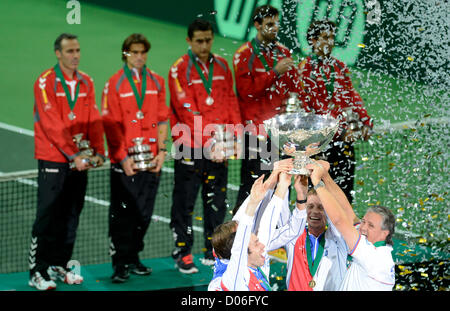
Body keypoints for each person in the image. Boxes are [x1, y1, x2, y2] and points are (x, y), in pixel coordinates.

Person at [30, 33, 105, 290]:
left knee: (71, 214)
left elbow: (92, 115)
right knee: (47, 215)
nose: (75, 55)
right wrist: (75, 155)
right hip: (54, 158)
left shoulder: (87, 81)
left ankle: (58, 264)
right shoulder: (45, 82)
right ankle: (37, 270)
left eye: (78, 50)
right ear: (58, 54)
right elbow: (51, 123)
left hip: (80, 159)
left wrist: (98, 151)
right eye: (70, 51)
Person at [168, 19, 242, 273]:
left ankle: (213, 249)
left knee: (216, 201)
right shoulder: (179, 70)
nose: (204, 44)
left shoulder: (221, 66)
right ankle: (182, 250)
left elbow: (231, 103)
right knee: (185, 202)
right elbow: (186, 109)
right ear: (189, 41)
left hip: (218, 149)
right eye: (199, 40)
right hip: (190, 147)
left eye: (208, 39)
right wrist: (212, 142)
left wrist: (233, 138)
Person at [101, 33, 170, 283]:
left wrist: (162, 151)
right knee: (122, 215)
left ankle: (133, 257)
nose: (139, 57)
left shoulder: (157, 82)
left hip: (151, 162)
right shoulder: (115, 84)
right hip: (126, 163)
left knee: (144, 213)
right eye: (134, 52)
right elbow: (111, 126)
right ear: (125, 54)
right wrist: (121, 158)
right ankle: (119, 264)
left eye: (143, 52)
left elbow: (163, 120)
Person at [298, 20, 373, 204]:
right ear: (313, 41)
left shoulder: (339, 67)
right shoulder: (304, 70)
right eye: (325, 38)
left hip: (343, 146)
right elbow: (306, 111)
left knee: (345, 199)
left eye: (332, 37)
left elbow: (350, 101)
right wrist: (334, 132)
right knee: (317, 202)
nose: (330, 42)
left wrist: (359, 125)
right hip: (319, 147)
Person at [233, 4, 299, 210]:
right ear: (257, 25)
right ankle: (243, 232)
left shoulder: (283, 52)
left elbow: (292, 87)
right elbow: (246, 92)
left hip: (279, 131)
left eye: (276, 23)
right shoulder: (244, 55)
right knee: (253, 186)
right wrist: (274, 72)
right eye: (269, 24)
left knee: (282, 184)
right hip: (255, 132)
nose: (275, 28)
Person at [307, 160, 396, 290]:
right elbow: (349, 214)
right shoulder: (374, 246)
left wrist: (317, 183)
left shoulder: (375, 257)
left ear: (385, 233)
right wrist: (326, 176)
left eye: (370, 225)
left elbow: (340, 221)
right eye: (364, 221)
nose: (363, 227)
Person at [208, 161, 294, 291]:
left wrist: (275, 175)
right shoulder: (234, 277)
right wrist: (281, 186)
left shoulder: (224, 245)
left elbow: (249, 211)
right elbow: (264, 225)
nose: (247, 231)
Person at [268, 170, 357, 291]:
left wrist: (322, 177)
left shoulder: (338, 239)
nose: (315, 211)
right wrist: (283, 178)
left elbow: (338, 217)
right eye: (310, 206)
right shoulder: (293, 236)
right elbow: (281, 210)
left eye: (321, 207)